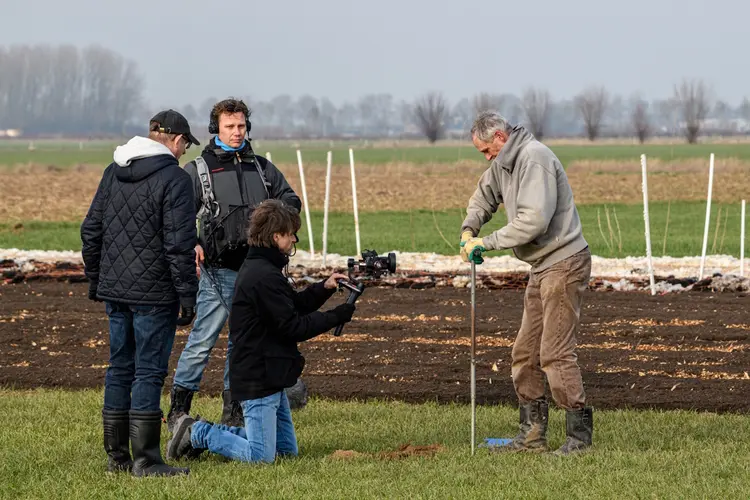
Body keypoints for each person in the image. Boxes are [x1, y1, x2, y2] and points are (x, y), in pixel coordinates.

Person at [166, 199, 355, 464]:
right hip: (258, 377)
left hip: (271, 376)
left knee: (286, 453)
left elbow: (294, 305)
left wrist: (325, 287)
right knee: (261, 457)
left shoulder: (264, 269)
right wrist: (336, 316)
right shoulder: (262, 275)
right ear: (276, 236)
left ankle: (212, 433)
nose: (293, 241)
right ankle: (197, 432)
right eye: (291, 235)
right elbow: (293, 326)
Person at [460, 111, 593, 456]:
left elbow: (532, 221)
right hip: (541, 266)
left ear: (500, 139)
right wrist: (468, 230)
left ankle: (579, 440)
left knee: (554, 352)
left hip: (563, 263)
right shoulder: (504, 163)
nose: (486, 158)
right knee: (525, 352)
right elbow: (484, 195)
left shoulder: (535, 159)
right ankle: (532, 437)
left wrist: (486, 243)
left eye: (487, 151)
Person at [167, 98, 302, 431]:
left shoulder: (262, 168)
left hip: (256, 272)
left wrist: (271, 214)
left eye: (241, 126)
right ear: (216, 129)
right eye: (230, 126)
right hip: (218, 272)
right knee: (202, 342)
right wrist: (193, 243)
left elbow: (291, 200)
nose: (236, 132)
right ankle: (178, 410)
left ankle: (234, 412)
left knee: (240, 344)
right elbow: (177, 216)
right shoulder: (197, 170)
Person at [81, 109, 200, 476]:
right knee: (148, 372)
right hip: (155, 295)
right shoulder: (176, 180)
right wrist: (188, 297)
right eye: (184, 146)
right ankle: (146, 460)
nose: (183, 153)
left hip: (115, 291)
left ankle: (117, 458)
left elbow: (91, 231)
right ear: (177, 141)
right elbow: (179, 247)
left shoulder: (112, 171)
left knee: (119, 368)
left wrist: (97, 280)